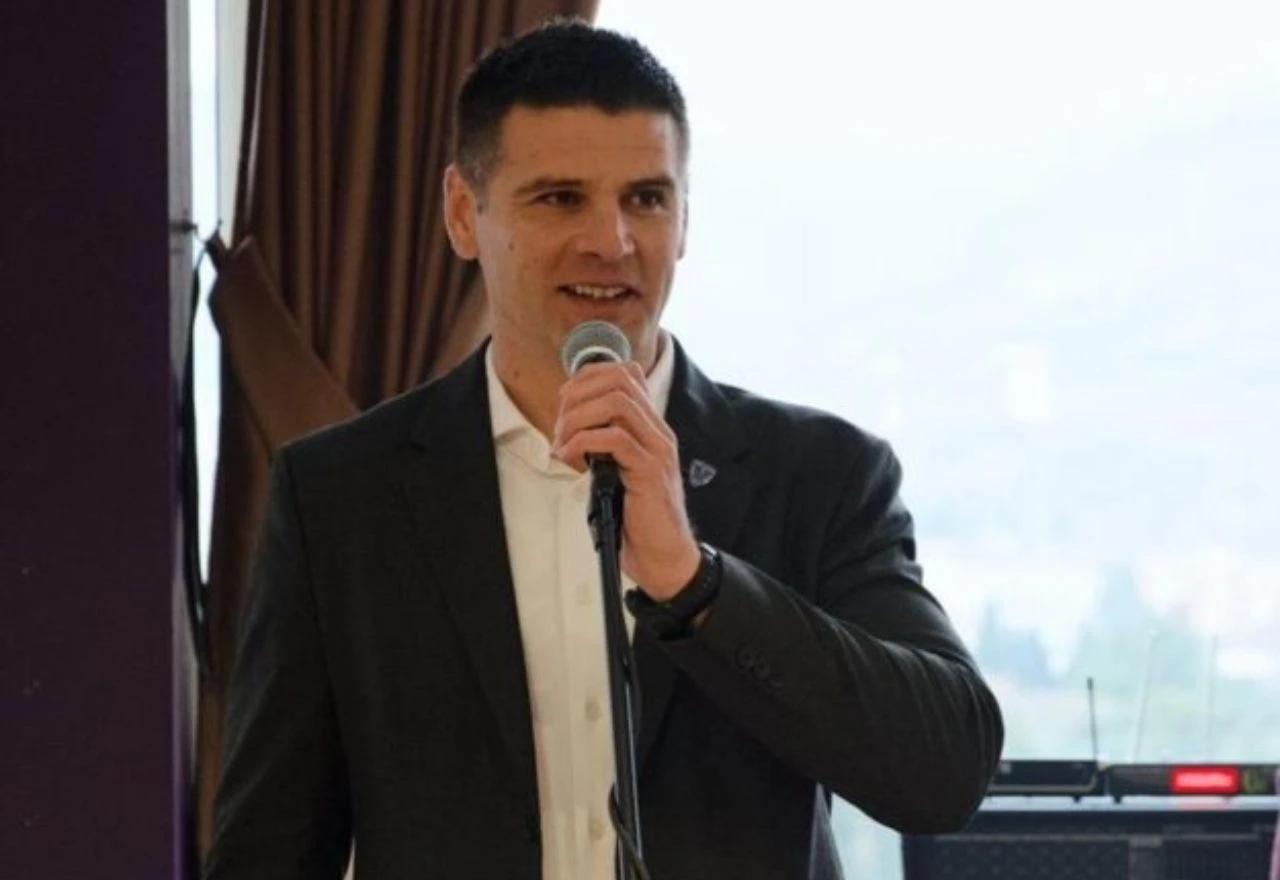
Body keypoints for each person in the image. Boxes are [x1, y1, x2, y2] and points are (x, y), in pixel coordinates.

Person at [204, 19, 1003, 880]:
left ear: (685, 220)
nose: (611, 242)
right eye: (560, 198)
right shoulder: (339, 497)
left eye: (646, 199)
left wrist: (695, 584)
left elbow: (945, 773)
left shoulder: (819, 475)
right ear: (464, 213)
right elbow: (268, 852)